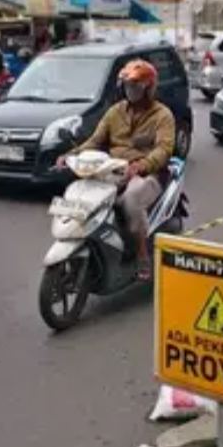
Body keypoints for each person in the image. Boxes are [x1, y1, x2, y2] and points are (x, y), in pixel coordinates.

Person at [55, 59, 174, 281]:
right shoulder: (114, 112)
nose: (131, 91)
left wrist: (141, 166)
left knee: (130, 200)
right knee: (83, 193)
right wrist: (71, 155)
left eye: (136, 86)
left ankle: (141, 256)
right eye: (128, 86)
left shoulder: (162, 115)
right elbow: (95, 140)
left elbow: (164, 149)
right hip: (112, 170)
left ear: (148, 88)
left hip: (148, 174)